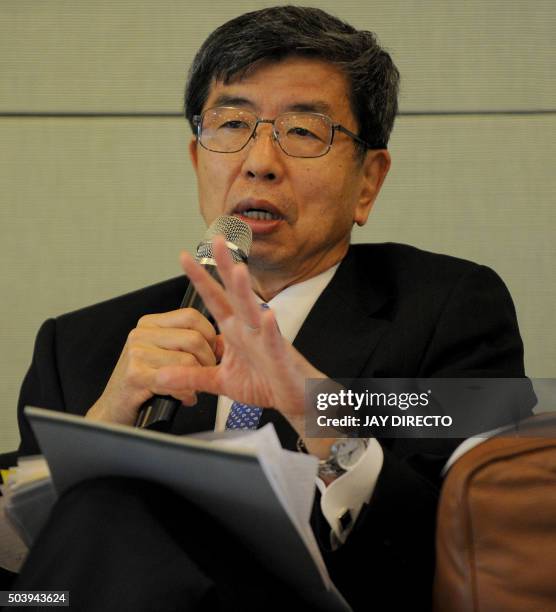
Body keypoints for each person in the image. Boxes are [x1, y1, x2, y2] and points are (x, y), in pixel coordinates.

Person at [11, 6, 527, 611]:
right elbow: (31, 592)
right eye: (231, 124)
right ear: (197, 158)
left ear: (368, 182)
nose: (259, 161)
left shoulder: (449, 310)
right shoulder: (79, 349)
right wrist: (102, 430)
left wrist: (316, 411)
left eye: (305, 132)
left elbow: (477, 556)